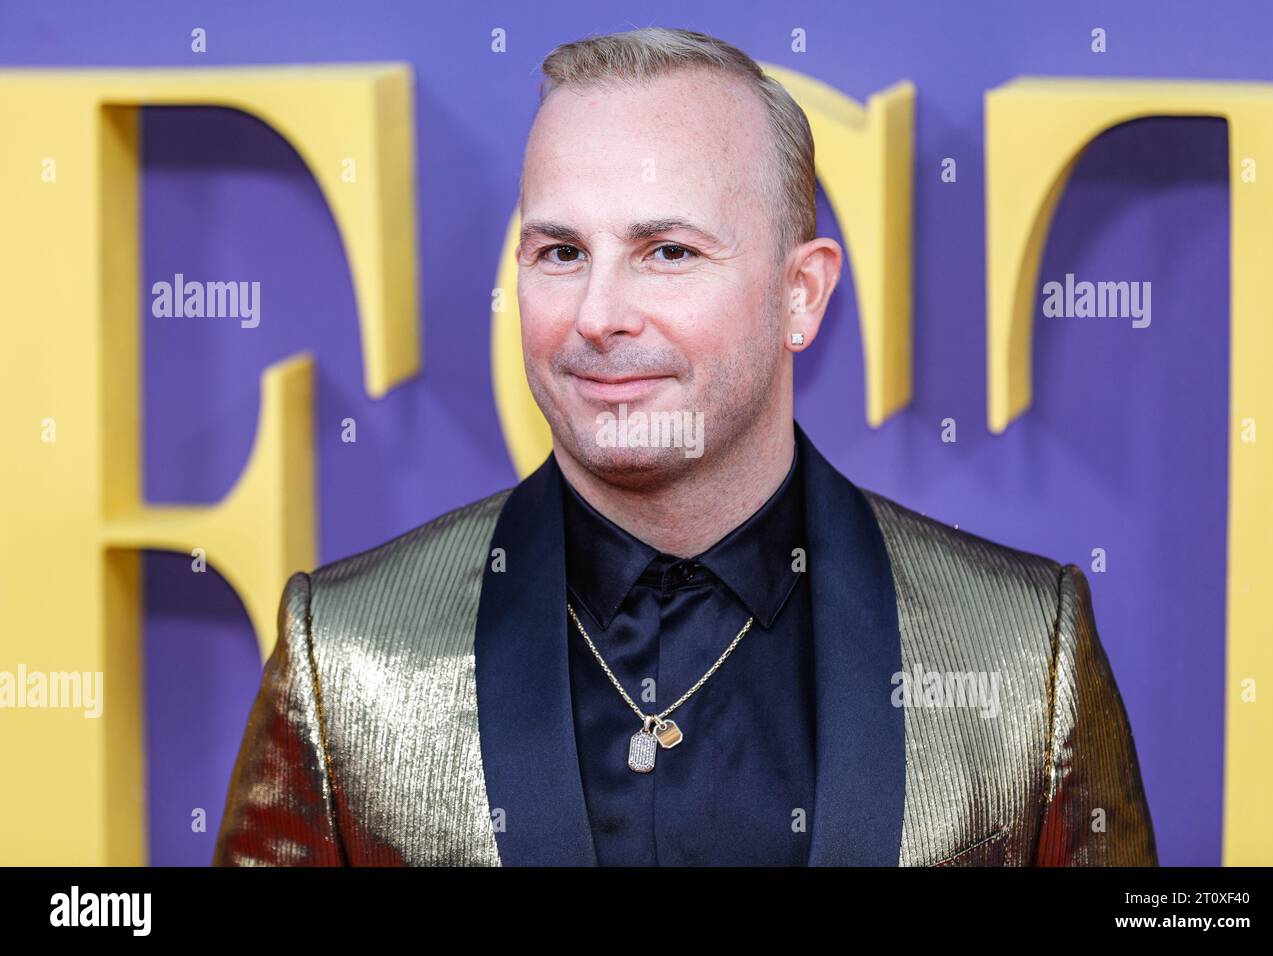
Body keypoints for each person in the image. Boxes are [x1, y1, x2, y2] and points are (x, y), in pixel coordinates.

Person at [213, 26, 1157, 866]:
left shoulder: (1026, 651)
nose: (598, 316)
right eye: (561, 253)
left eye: (667, 251)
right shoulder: (341, 659)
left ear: (802, 294)